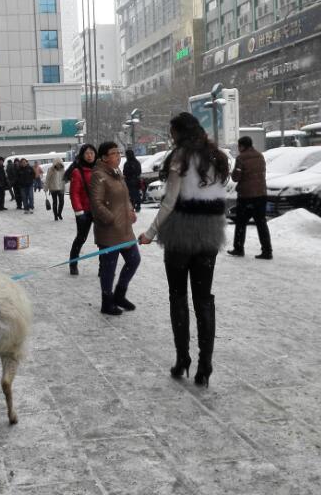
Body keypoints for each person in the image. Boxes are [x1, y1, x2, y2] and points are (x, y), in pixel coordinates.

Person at [138, 112, 228, 388]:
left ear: (180, 133)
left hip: (179, 237)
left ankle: (183, 358)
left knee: (178, 297)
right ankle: (206, 364)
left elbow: (169, 203)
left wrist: (149, 233)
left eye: (172, 132)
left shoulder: (180, 158)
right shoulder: (218, 158)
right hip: (209, 236)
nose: (171, 136)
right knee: (204, 298)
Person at [89, 141, 140, 315]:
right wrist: (110, 219)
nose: (118, 156)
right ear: (104, 157)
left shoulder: (118, 173)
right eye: (113, 153)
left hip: (125, 229)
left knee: (134, 260)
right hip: (109, 230)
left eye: (119, 153)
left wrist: (131, 210)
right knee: (108, 268)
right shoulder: (99, 175)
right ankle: (107, 302)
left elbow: (125, 197)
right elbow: (96, 203)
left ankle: (120, 294)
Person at [228, 136, 273, 260]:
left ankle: (238, 248)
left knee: (241, 223)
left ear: (242, 146)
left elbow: (236, 177)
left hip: (246, 196)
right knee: (261, 223)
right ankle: (267, 250)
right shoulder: (260, 156)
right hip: (261, 194)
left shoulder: (241, 158)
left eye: (239, 146)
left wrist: (232, 173)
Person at [69, 144, 97, 275]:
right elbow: (74, 193)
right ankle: (73, 263)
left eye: (92, 153)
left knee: (103, 239)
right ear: (82, 155)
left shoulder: (100, 169)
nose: (90, 155)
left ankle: (104, 268)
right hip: (84, 211)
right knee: (81, 238)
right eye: (87, 153)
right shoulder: (77, 171)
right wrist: (79, 212)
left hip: (99, 210)